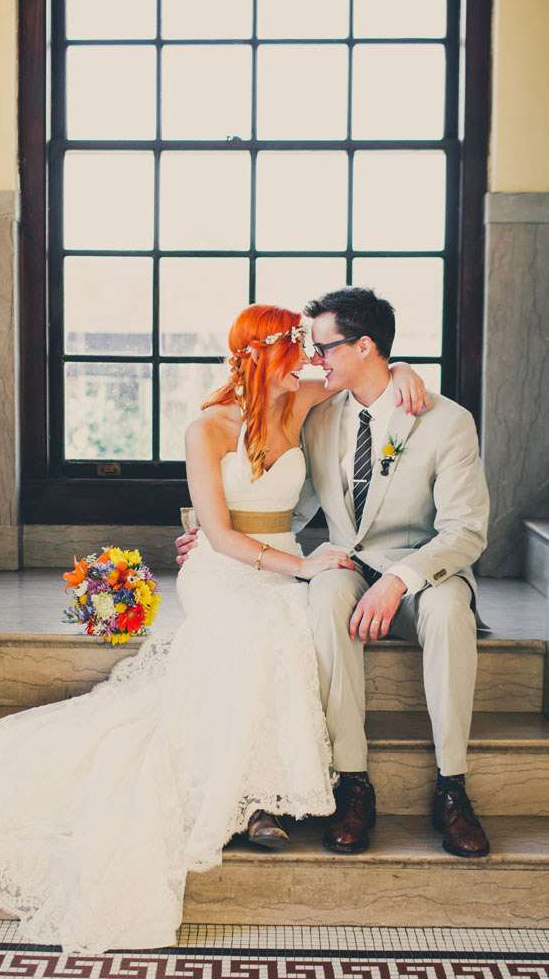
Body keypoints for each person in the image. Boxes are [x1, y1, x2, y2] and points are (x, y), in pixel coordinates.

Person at [0, 303, 426, 954]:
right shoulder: (207, 428)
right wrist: (300, 566)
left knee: (294, 625)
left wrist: (404, 370)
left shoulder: (302, 399)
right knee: (259, 630)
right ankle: (249, 802)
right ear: (263, 354)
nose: (309, 356)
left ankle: (259, 793)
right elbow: (217, 535)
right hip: (225, 566)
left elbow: (363, 372)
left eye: (309, 346)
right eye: (297, 345)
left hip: (282, 558)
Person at [179, 287, 491, 860]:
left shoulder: (445, 421)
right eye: (306, 348)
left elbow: (466, 531)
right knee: (323, 597)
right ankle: (353, 783)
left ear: (364, 346)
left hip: (422, 569)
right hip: (346, 561)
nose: (311, 359)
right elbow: (286, 495)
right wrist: (215, 534)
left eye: (322, 348)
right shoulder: (318, 414)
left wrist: (399, 580)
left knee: (450, 610)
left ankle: (452, 786)